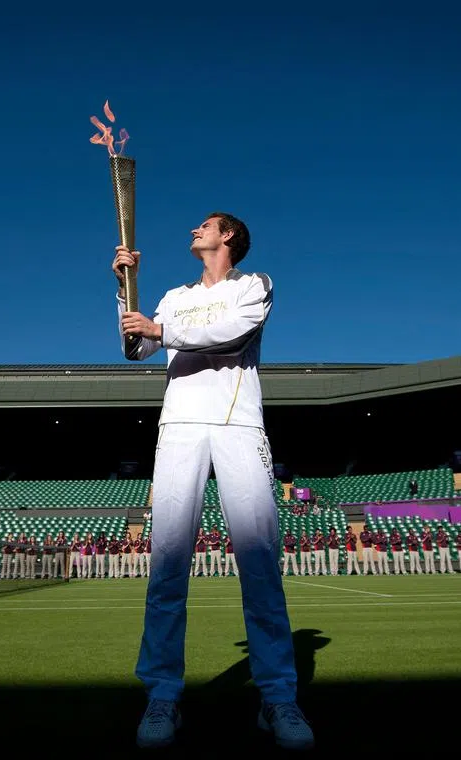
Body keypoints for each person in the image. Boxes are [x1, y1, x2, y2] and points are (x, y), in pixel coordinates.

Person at [113, 212, 312, 750]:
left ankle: (278, 699)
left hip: (238, 426)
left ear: (229, 237)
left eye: (205, 225)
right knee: (168, 564)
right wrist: (123, 291)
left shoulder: (255, 285)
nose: (193, 230)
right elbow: (137, 349)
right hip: (179, 428)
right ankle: (162, 696)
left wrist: (160, 330)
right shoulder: (173, 297)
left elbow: (233, 334)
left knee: (260, 562)